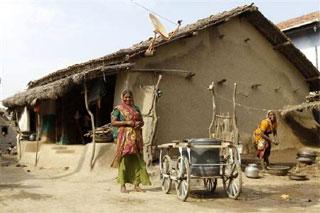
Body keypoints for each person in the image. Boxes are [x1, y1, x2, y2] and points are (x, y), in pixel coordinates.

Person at [110, 89, 151, 193]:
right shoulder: (118, 109)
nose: (128, 99)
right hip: (124, 138)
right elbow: (113, 122)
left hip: (136, 137)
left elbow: (141, 121)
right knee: (124, 159)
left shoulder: (136, 108)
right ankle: (122, 185)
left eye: (130, 97)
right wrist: (128, 123)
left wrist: (139, 124)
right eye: (126, 97)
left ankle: (136, 184)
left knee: (137, 159)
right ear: (122, 98)